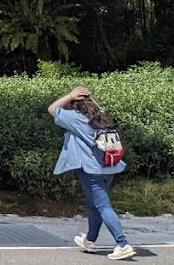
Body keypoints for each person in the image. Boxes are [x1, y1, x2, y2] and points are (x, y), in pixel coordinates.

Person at [49, 85, 136, 260]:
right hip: (109, 167)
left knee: (103, 205)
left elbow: (52, 109)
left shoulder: (75, 118)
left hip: (91, 169)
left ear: (74, 105)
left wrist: (70, 95)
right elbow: (97, 106)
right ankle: (90, 240)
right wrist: (89, 96)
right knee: (95, 205)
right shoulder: (101, 117)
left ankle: (123, 244)